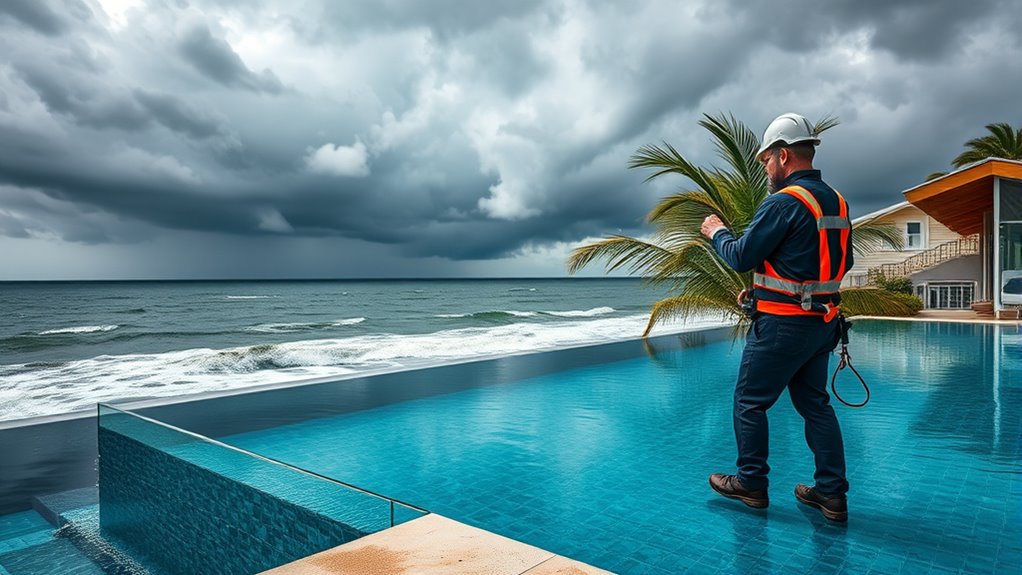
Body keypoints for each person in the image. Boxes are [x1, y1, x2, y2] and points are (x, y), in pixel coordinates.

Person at [699, 112, 853, 522]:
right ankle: (831, 494)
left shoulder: (783, 201)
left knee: (749, 402)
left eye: (766, 159)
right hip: (822, 325)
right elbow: (838, 262)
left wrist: (716, 231)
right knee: (816, 405)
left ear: (784, 155)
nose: (766, 168)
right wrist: (767, 287)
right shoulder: (837, 202)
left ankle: (751, 482)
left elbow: (741, 255)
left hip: (782, 327)